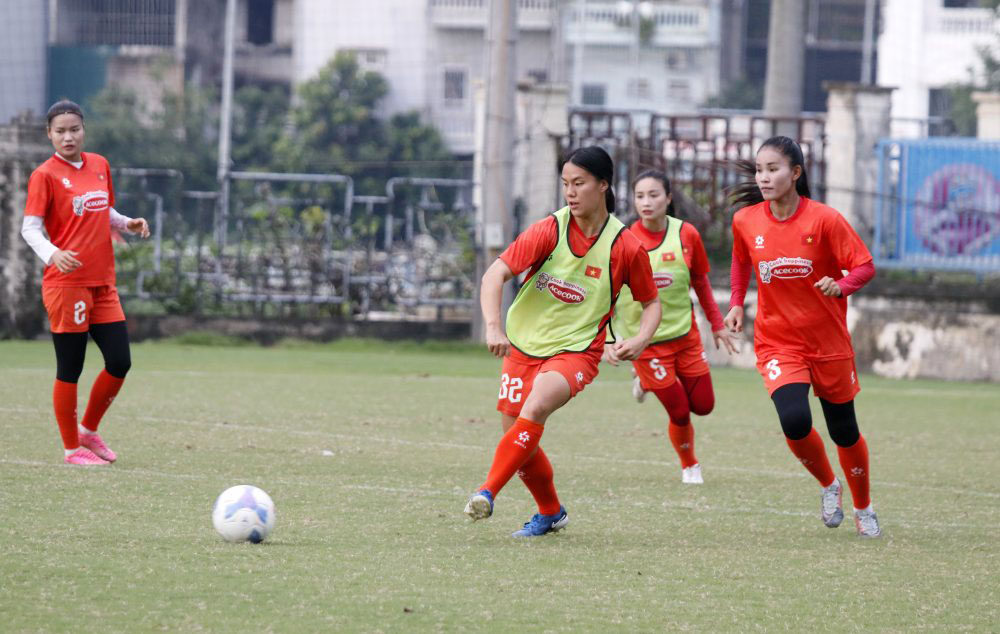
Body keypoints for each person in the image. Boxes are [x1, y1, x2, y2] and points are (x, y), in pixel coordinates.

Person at [465, 146, 661, 536]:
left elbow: (651, 302)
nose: (570, 193)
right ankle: (551, 511)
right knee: (518, 440)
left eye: (579, 183)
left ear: (603, 185)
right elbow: (494, 275)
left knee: (535, 408)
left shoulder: (625, 246)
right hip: (523, 345)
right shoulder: (548, 230)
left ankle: (486, 493)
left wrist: (640, 338)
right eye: (565, 184)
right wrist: (492, 326)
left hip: (577, 351)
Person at [723, 136, 881, 538]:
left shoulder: (824, 219)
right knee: (794, 420)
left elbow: (864, 266)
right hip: (778, 341)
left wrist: (841, 286)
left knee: (843, 430)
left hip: (828, 343)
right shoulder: (746, 221)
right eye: (759, 170)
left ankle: (864, 508)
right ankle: (830, 485)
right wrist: (737, 304)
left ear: (795, 173)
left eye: (773, 169)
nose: (763, 177)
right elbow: (741, 261)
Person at [20, 100, 150, 466]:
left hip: (101, 282)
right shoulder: (44, 175)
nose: (68, 136)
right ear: (49, 134)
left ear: (84, 130)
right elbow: (29, 228)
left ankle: (88, 431)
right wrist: (53, 254)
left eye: (74, 129)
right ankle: (70, 449)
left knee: (120, 361)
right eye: (60, 131)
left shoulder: (99, 165)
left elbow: (101, 208)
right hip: (67, 285)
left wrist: (128, 223)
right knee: (70, 368)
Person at [607, 169, 738, 484]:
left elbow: (701, 282)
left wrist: (717, 324)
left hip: (686, 337)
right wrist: (608, 338)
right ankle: (690, 465)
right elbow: (606, 293)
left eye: (654, 195)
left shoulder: (686, 235)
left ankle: (644, 382)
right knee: (679, 411)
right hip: (646, 344)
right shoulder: (622, 240)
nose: (646, 202)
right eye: (640, 196)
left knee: (703, 406)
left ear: (668, 198)